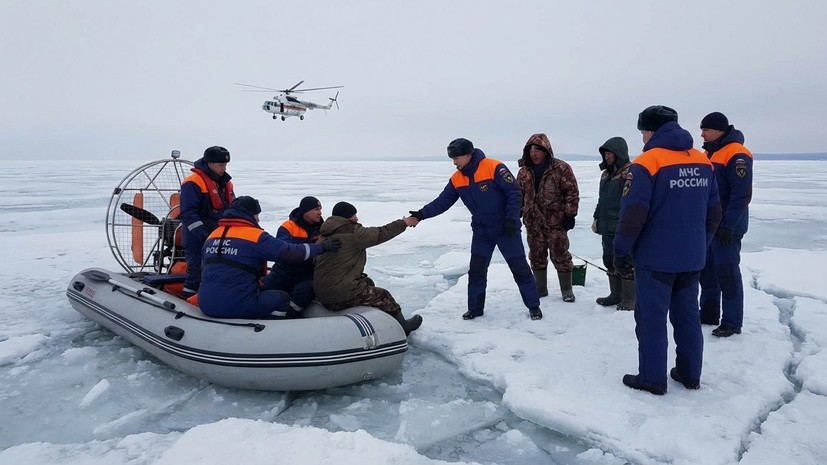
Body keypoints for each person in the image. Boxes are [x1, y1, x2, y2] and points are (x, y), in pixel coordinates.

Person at [614, 105, 721, 395]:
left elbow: (634, 213)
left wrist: (621, 249)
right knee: (687, 318)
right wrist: (701, 243)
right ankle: (689, 374)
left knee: (651, 320)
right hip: (691, 258)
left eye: (643, 132)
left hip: (656, 260)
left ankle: (652, 378)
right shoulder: (703, 161)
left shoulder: (648, 162)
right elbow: (714, 213)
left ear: (651, 130)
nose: (642, 137)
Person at [409, 138, 543, 321]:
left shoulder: (493, 167)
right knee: (477, 270)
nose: (454, 163)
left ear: (468, 155)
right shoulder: (457, 178)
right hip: (482, 231)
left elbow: (514, 192)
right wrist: (421, 214)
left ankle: (533, 306)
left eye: (456, 158)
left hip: (506, 228)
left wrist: (512, 219)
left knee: (519, 267)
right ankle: (475, 308)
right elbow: (443, 202)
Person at [198, 196, 341, 319]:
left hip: (205, 303)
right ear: (250, 215)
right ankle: (272, 330)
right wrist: (321, 247)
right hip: (237, 303)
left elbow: (203, 269)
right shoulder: (254, 236)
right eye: (257, 215)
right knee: (281, 298)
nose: (258, 219)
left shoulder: (213, 235)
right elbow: (288, 252)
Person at [313, 202, 423, 335]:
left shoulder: (324, 235)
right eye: (354, 215)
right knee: (383, 295)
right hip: (340, 295)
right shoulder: (352, 233)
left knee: (368, 282)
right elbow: (381, 233)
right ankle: (404, 327)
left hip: (322, 293)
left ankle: (374, 319)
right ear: (347, 217)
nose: (357, 218)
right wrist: (404, 222)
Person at [698, 112, 754, 338]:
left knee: (727, 272)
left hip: (728, 227)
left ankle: (731, 322)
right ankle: (709, 313)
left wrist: (728, 225)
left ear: (719, 130)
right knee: (707, 271)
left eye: (706, 130)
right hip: (710, 225)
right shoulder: (709, 153)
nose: (701, 134)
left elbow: (741, 194)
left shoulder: (737, 154)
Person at [516, 133, 580, 303]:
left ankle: (567, 290)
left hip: (556, 221)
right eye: (531, 150)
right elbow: (518, 196)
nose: (533, 153)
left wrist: (570, 215)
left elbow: (571, 192)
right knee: (536, 256)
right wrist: (516, 214)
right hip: (533, 222)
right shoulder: (523, 172)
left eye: (538, 149)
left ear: (546, 151)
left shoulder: (561, 168)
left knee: (561, 255)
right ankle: (540, 289)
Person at [179, 146, 235, 298]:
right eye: (221, 165)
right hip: (197, 237)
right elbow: (188, 213)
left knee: (219, 270)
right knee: (196, 270)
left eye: (225, 165)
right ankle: (187, 300)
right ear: (209, 163)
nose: (224, 168)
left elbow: (233, 208)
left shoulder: (225, 183)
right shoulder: (193, 183)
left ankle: (213, 298)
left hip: (220, 237)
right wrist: (203, 235)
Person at [261, 196, 324, 315]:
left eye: (320, 209)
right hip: (284, 272)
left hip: (306, 276)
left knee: (306, 290)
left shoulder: (323, 229)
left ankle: (290, 316)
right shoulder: (288, 227)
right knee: (264, 287)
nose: (320, 212)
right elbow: (284, 252)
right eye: (316, 209)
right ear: (306, 211)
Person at [592, 137, 635, 311]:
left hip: (622, 225)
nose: (607, 156)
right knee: (609, 260)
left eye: (610, 153)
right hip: (606, 226)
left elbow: (632, 201)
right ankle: (615, 294)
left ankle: (630, 299)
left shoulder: (629, 173)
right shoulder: (606, 174)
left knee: (625, 261)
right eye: (605, 153)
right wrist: (596, 217)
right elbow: (602, 199)